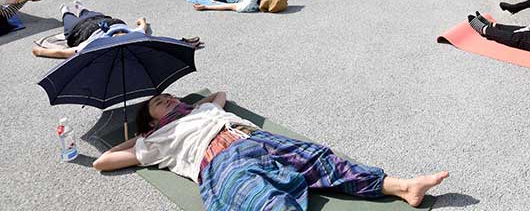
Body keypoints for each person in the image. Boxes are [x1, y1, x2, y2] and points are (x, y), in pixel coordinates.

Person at [92, 91, 449, 210]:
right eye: (158, 102)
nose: (167, 98)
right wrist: (138, 138)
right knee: (261, 200)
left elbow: (219, 95)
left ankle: (403, 187)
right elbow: (102, 162)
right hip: (218, 160)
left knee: (322, 161)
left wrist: (196, 105)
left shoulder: (202, 109)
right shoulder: (155, 142)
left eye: (168, 95)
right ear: (150, 121)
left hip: (252, 138)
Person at [31, 2, 202, 59]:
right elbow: (144, 28)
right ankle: (81, 7)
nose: (122, 35)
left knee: (68, 15)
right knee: (87, 12)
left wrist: (40, 51)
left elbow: (66, 53)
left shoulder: (98, 44)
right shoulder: (134, 36)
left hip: (78, 30)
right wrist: (142, 20)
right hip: (103, 20)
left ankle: (66, 10)